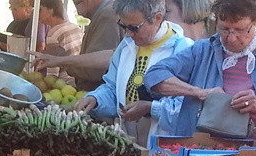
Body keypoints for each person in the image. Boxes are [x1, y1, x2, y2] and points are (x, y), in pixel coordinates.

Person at [144, 0, 256, 142]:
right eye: (224, 29)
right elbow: (154, 75)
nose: (231, 38)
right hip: (199, 151)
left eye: (239, 30)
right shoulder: (202, 51)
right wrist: (199, 92)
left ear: (255, 22)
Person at [77, 0, 193, 146]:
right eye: (123, 26)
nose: (128, 34)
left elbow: (187, 107)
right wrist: (95, 99)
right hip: (130, 145)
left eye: (134, 28)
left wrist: (150, 108)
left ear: (157, 18)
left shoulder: (184, 50)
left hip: (168, 149)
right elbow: (113, 88)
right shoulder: (125, 46)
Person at [32, 0, 123, 91]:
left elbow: (93, 72)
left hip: (97, 98)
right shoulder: (104, 13)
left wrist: (61, 60)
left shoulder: (107, 16)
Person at [39, 0, 84, 85]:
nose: (37, 13)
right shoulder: (74, 27)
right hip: (78, 78)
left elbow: (52, 71)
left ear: (50, 10)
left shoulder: (53, 34)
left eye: (40, 9)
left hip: (64, 82)